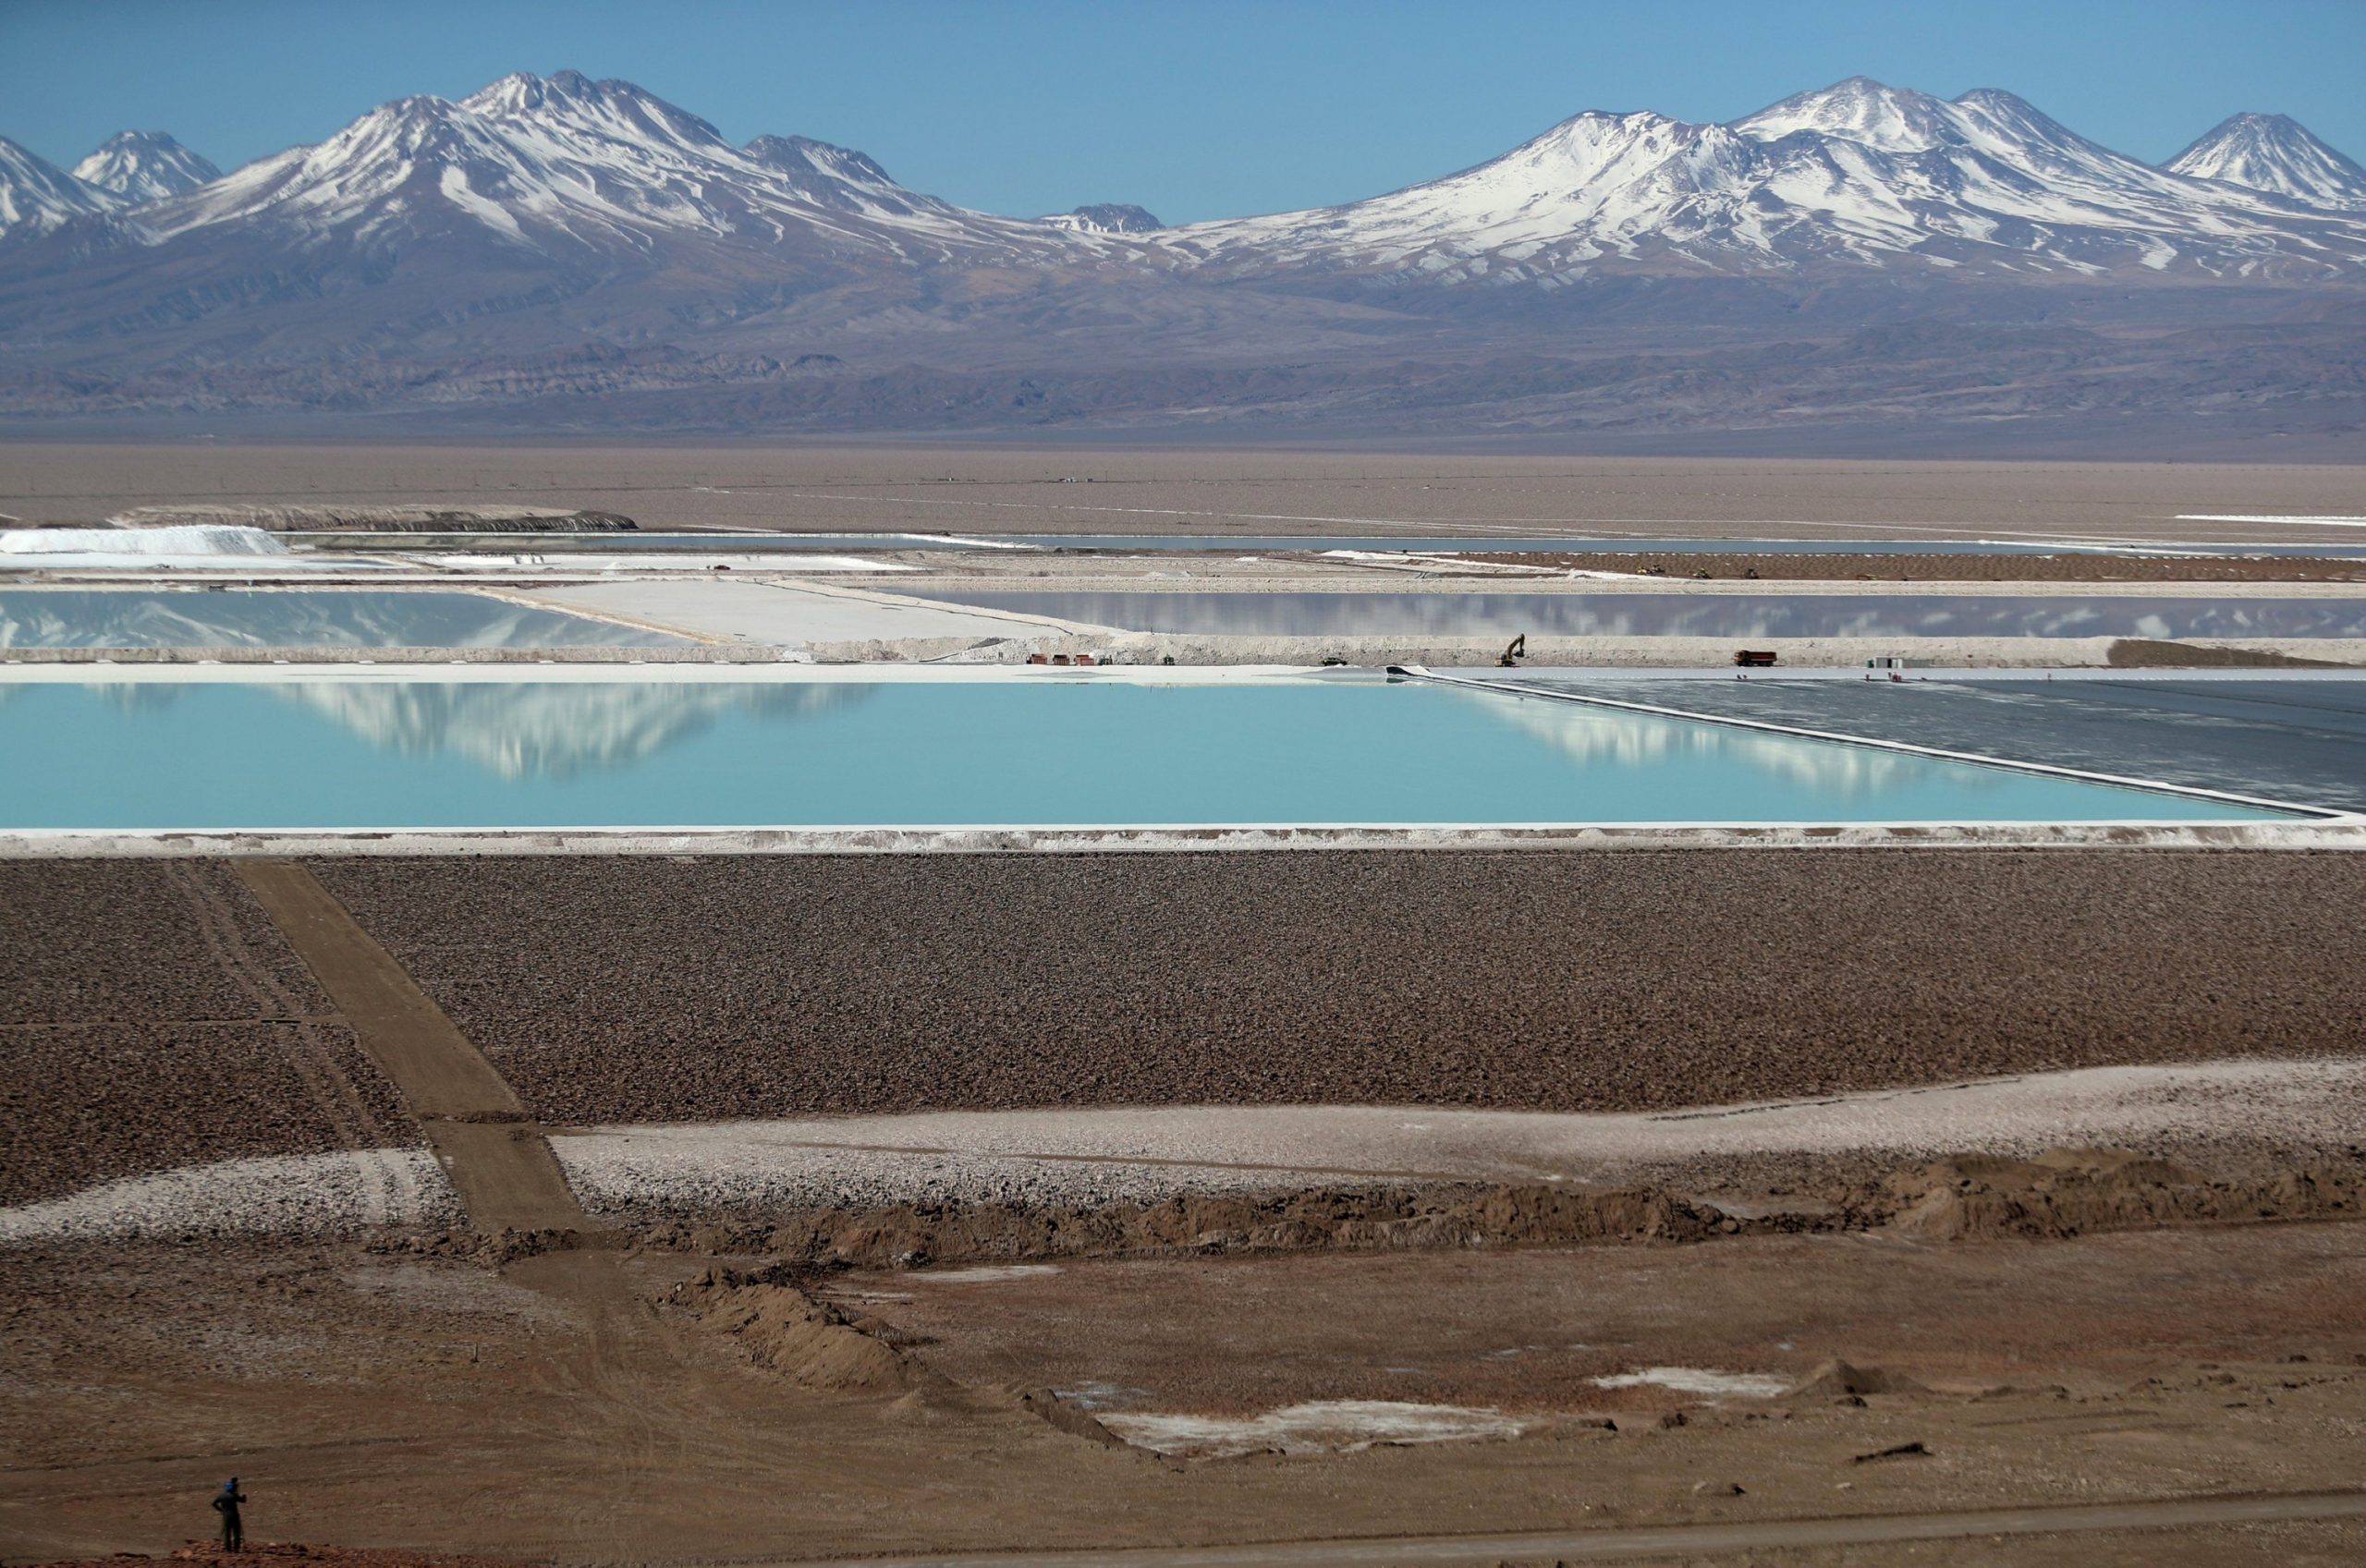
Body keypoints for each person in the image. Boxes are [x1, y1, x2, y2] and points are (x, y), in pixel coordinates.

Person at [212, 1478, 247, 1551]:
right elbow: (243, 1501)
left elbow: (214, 1504)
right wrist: (244, 1496)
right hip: (234, 1516)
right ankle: (236, 1548)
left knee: (227, 1532)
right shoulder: (233, 1496)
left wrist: (221, 1510)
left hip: (226, 1516)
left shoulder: (221, 1496)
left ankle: (228, 1548)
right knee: (236, 1532)